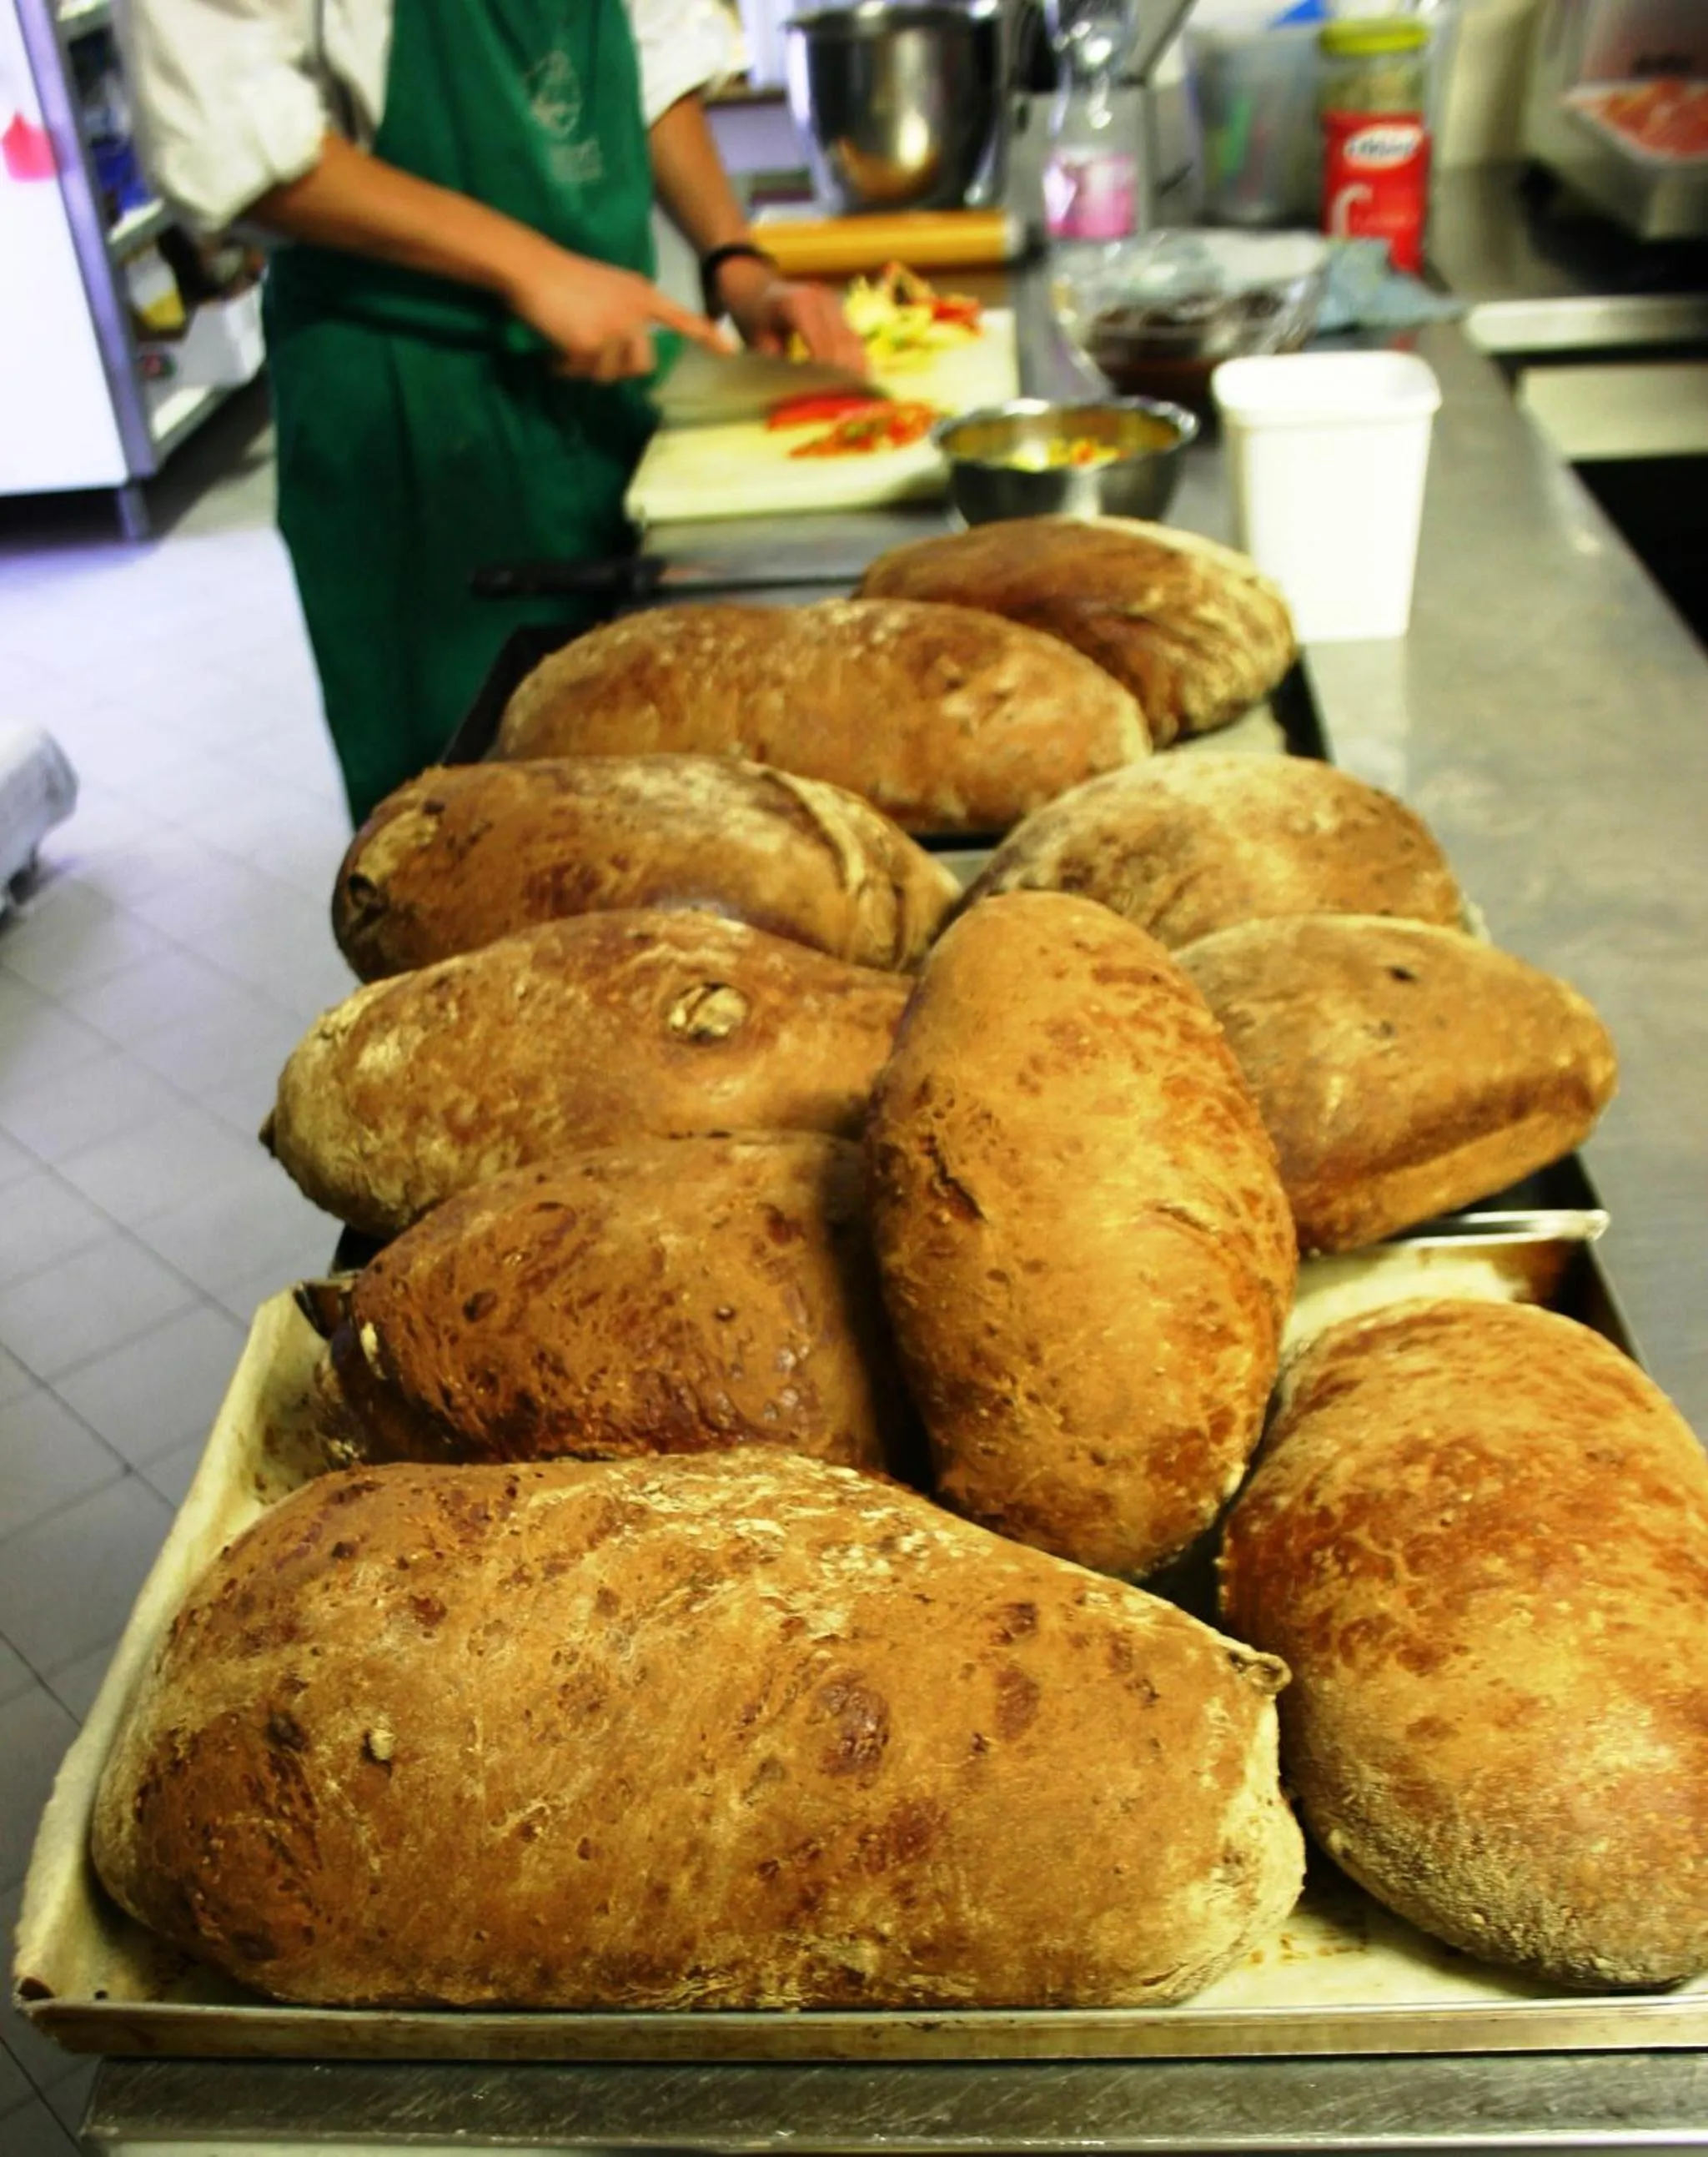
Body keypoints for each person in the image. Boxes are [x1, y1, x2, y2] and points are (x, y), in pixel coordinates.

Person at [123, 0, 867, 824]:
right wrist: (528, 267)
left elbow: (655, 43)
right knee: (469, 819)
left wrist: (736, 260)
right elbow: (222, 133)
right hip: (414, 410)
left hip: (606, 369)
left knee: (653, 790)